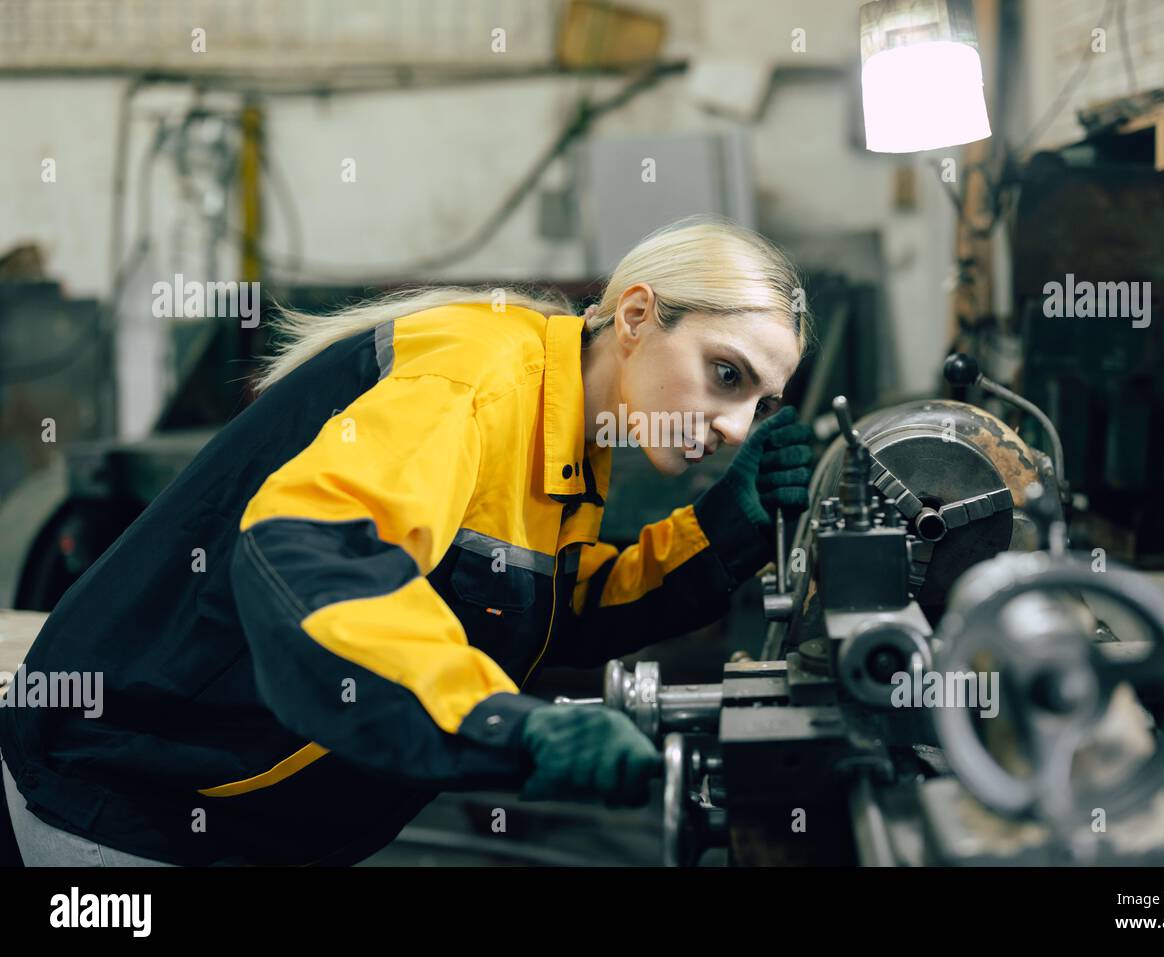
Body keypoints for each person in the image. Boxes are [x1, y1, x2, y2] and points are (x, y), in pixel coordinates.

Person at [0, 216, 815, 866]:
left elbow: (539, 604)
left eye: (762, 402)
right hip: (123, 801)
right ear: (637, 314)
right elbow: (312, 554)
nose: (735, 425)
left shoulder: (570, 419)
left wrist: (720, 533)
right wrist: (502, 724)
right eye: (727, 374)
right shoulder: (477, 378)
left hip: (237, 820)